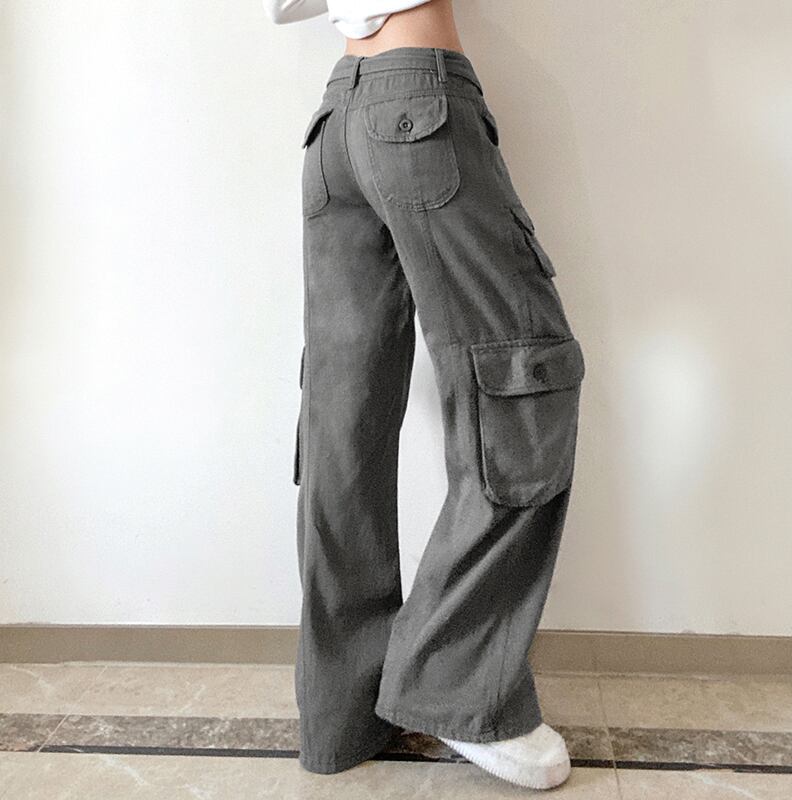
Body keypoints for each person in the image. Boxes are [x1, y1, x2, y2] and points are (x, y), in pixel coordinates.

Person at [265, 0, 586, 790]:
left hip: (337, 119)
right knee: (524, 385)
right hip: (419, 104)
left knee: (344, 415)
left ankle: (343, 709)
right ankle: (456, 688)